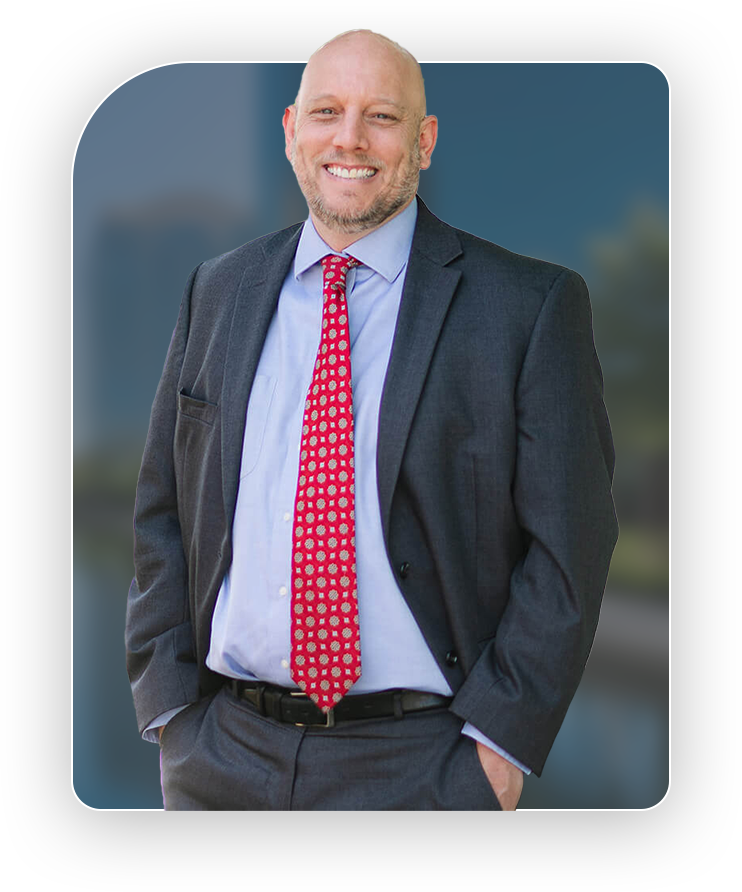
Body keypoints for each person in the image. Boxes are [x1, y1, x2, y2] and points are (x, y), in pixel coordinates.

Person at [125, 31, 618, 811]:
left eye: (381, 117)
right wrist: (169, 708)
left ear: (423, 142)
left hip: (424, 763)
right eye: (327, 111)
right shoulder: (215, 291)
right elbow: (162, 510)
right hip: (220, 756)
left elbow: (573, 543)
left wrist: (500, 743)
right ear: (291, 131)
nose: (349, 138)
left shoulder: (528, 308)